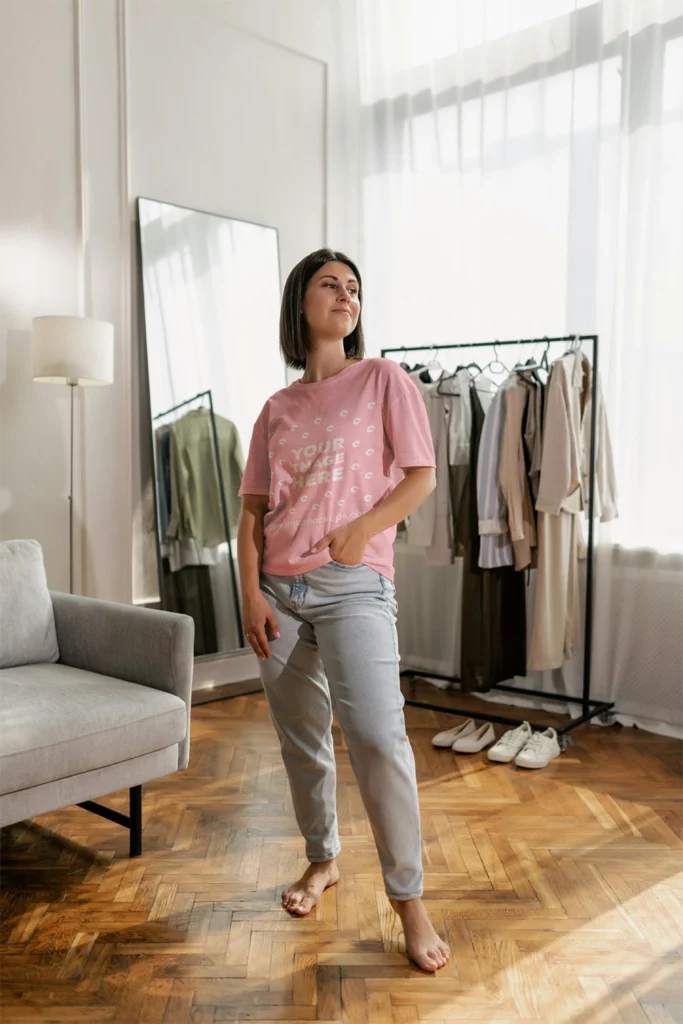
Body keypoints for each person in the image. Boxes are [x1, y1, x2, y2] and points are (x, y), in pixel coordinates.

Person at [237, 248, 451, 973]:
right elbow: (250, 516)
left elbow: (421, 477)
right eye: (329, 284)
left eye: (354, 287)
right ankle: (321, 859)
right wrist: (247, 595)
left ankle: (408, 901)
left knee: (377, 735)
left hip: (353, 584)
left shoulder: (382, 379)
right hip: (277, 593)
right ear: (299, 302)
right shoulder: (275, 408)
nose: (345, 295)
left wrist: (362, 530)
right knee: (302, 740)